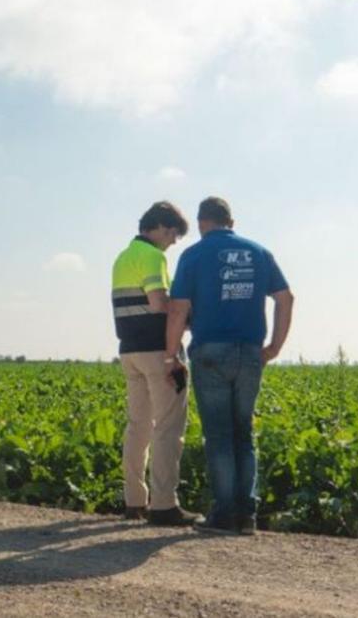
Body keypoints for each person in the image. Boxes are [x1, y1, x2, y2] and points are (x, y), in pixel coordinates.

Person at [165, 197, 294, 535]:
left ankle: (225, 514)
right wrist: (274, 348)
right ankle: (247, 514)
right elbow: (285, 298)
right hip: (251, 352)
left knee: (219, 435)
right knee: (244, 433)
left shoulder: (192, 255)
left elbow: (178, 310)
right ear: (231, 222)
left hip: (210, 352)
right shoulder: (259, 252)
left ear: (202, 222)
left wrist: (171, 355)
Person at [111, 201, 203, 526]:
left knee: (138, 426)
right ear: (162, 227)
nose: (174, 242)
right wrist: (189, 319)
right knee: (168, 427)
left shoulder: (122, 258)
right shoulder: (153, 257)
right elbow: (159, 303)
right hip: (156, 351)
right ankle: (164, 504)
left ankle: (135, 501)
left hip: (129, 352)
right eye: (174, 235)